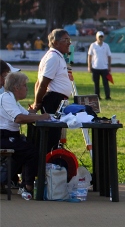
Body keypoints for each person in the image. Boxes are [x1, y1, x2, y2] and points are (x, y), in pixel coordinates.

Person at [0, 72, 51, 200]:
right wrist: (41, 116)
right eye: (24, 86)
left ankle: (21, 183)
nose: (27, 89)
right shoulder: (6, 98)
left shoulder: (12, 100)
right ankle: (27, 186)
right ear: (16, 88)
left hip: (9, 135)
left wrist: (34, 112)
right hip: (4, 136)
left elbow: (26, 114)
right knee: (31, 151)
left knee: (26, 147)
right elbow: (18, 118)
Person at [30, 29, 73, 152]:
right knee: (51, 137)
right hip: (53, 100)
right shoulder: (53, 57)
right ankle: (45, 164)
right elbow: (42, 84)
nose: (69, 43)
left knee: (54, 136)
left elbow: (38, 83)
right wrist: (37, 103)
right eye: (66, 40)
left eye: (69, 40)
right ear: (54, 42)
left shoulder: (55, 56)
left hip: (56, 99)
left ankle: (46, 163)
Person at [88, 31, 112, 100]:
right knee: (96, 83)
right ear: (96, 37)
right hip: (95, 67)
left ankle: (107, 96)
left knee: (106, 83)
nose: (100, 38)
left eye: (102, 37)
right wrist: (89, 66)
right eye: (99, 37)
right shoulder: (93, 45)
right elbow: (89, 56)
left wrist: (109, 66)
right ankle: (97, 96)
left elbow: (109, 56)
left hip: (104, 68)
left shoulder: (106, 45)